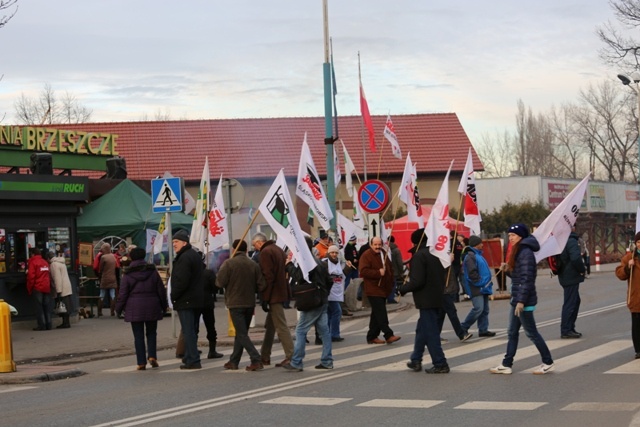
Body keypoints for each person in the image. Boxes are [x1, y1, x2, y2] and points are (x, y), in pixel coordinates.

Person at [490, 223, 554, 375]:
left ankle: (548, 361)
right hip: (517, 298)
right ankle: (507, 364)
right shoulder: (519, 251)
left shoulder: (525, 252)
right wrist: (507, 270)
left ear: (520, 236)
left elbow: (527, 279)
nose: (510, 238)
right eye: (510, 235)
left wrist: (521, 301)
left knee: (531, 332)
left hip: (523, 301)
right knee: (512, 332)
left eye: (512, 235)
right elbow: (518, 276)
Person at [400, 228, 449, 373]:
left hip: (425, 299)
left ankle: (440, 363)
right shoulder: (437, 254)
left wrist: (403, 288)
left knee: (431, 333)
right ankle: (416, 359)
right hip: (437, 297)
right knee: (422, 330)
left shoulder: (419, 256)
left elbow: (417, 281)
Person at [283, 236, 334, 371]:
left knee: (300, 331)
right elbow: (330, 281)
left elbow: (299, 276)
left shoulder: (306, 262)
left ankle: (296, 362)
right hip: (322, 301)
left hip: (311, 302)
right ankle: (327, 360)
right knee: (324, 332)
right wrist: (324, 294)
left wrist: (288, 265)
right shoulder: (319, 262)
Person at [216, 239, 267, 371]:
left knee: (242, 334)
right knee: (241, 333)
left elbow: (219, 283)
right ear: (245, 250)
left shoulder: (229, 264)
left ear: (234, 249)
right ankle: (234, 361)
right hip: (249, 303)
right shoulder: (253, 264)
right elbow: (261, 285)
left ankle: (256, 359)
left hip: (235, 303)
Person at [115, 247, 168, 370]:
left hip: (135, 307)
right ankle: (152, 356)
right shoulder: (152, 271)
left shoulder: (127, 274)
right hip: (152, 304)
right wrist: (164, 305)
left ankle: (141, 362)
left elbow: (123, 294)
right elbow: (160, 290)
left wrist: (118, 308)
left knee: (138, 336)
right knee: (151, 332)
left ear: (131, 257)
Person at [251, 232, 294, 368]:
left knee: (281, 326)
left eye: (255, 245)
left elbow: (267, 276)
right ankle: (265, 356)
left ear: (259, 242)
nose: (255, 249)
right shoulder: (278, 249)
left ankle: (292, 356)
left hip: (274, 294)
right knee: (270, 326)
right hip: (281, 291)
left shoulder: (266, 252)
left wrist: (265, 297)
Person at [170, 229, 204, 370]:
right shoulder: (193, 255)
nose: (174, 244)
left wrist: (174, 296)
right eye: (173, 242)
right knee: (191, 330)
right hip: (196, 299)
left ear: (184, 243)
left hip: (187, 300)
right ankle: (189, 356)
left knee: (188, 330)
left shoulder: (184, 258)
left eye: (176, 242)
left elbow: (181, 281)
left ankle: (193, 359)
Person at [358, 236, 401, 344]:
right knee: (381, 313)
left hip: (383, 288)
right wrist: (378, 273)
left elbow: (390, 268)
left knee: (376, 313)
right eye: (375, 245)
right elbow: (363, 271)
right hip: (373, 288)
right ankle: (388, 334)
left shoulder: (384, 253)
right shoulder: (366, 255)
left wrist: (391, 282)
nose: (377, 247)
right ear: (371, 245)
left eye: (379, 244)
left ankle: (372, 336)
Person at [460, 235, 496, 339]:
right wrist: (480, 282)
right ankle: (463, 327)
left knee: (485, 309)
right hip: (476, 287)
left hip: (484, 285)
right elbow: (472, 273)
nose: (482, 244)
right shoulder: (471, 256)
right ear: (476, 244)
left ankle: (483, 329)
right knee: (478, 308)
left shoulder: (478, 255)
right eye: (480, 243)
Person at [557, 226, 586, 339]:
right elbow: (575, 258)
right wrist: (582, 270)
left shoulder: (562, 240)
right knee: (570, 302)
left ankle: (569, 327)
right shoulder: (571, 240)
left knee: (575, 301)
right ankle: (566, 329)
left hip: (564, 274)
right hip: (570, 275)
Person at [615, 231, 640, 359]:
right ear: (635, 244)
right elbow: (620, 274)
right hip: (636, 297)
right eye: (638, 242)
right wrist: (627, 268)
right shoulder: (629, 258)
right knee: (637, 326)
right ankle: (638, 350)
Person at [26, 247, 52, 331]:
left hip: (38, 287)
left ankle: (42, 325)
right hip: (46, 287)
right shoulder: (45, 262)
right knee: (47, 307)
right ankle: (49, 324)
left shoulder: (33, 263)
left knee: (39, 307)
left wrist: (29, 288)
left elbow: (31, 277)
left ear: (32, 254)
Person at [324, 245, 345, 342]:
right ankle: (334, 334)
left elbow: (342, 275)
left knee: (329, 313)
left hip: (337, 291)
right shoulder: (325, 262)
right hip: (329, 292)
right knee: (337, 312)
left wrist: (348, 268)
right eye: (332, 252)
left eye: (336, 253)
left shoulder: (339, 262)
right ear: (329, 253)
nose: (334, 254)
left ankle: (327, 333)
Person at [49, 251, 73, 329]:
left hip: (61, 288)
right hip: (67, 286)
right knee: (66, 306)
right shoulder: (62, 262)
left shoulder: (53, 264)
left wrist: (58, 291)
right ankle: (67, 322)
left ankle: (65, 323)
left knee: (62, 306)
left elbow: (57, 278)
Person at [98, 243, 118, 317]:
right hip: (112, 277)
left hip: (105, 277)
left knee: (102, 294)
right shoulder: (113, 256)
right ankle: (112, 312)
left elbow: (100, 269)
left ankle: (99, 311)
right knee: (112, 295)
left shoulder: (103, 257)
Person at [388, 236, 403, 304]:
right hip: (394, 271)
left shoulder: (385, 249)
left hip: (386, 271)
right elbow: (399, 262)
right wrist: (401, 271)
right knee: (393, 285)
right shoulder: (396, 250)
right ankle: (391, 298)